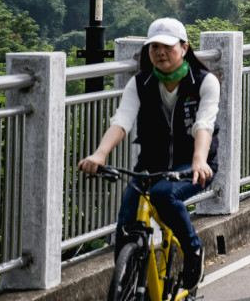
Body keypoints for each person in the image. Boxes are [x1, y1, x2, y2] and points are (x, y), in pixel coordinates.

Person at [77, 18, 218, 294]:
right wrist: (100, 154)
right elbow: (122, 120)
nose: (159, 52)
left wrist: (199, 159)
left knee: (164, 195)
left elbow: (205, 124)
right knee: (127, 219)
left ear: (184, 47)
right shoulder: (141, 83)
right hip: (149, 166)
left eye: (166, 46)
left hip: (191, 165)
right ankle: (125, 286)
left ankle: (193, 251)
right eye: (153, 46)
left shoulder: (204, 82)